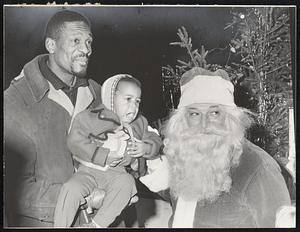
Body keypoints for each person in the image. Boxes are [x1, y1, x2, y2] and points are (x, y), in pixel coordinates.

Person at [140, 67, 291, 228]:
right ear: (182, 121)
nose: (204, 124)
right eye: (194, 114)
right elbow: (173, 192)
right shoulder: (188, 155)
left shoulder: (258, 167)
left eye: (214, 113)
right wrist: (153, 157)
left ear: (231, 118)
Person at [4, 10, 102, 227]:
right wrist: (80, 198)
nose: (86, 50)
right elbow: (13, 187)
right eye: (76, 40)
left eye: (89, 41)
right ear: (51, 45)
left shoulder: (97, 93)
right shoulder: (15, 101)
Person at [54, 74, 163, 228]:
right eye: (128, 99)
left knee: (127, 183)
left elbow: (156, 140)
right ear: (110, 98)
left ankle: (96, 225)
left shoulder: (140, 123)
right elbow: (75, 140)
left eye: (137, 101)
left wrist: (145, 147)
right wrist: (103, 155)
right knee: (71, 189)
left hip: (116, 175)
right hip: (88, 171)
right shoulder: (91, 117)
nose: (134, 106)